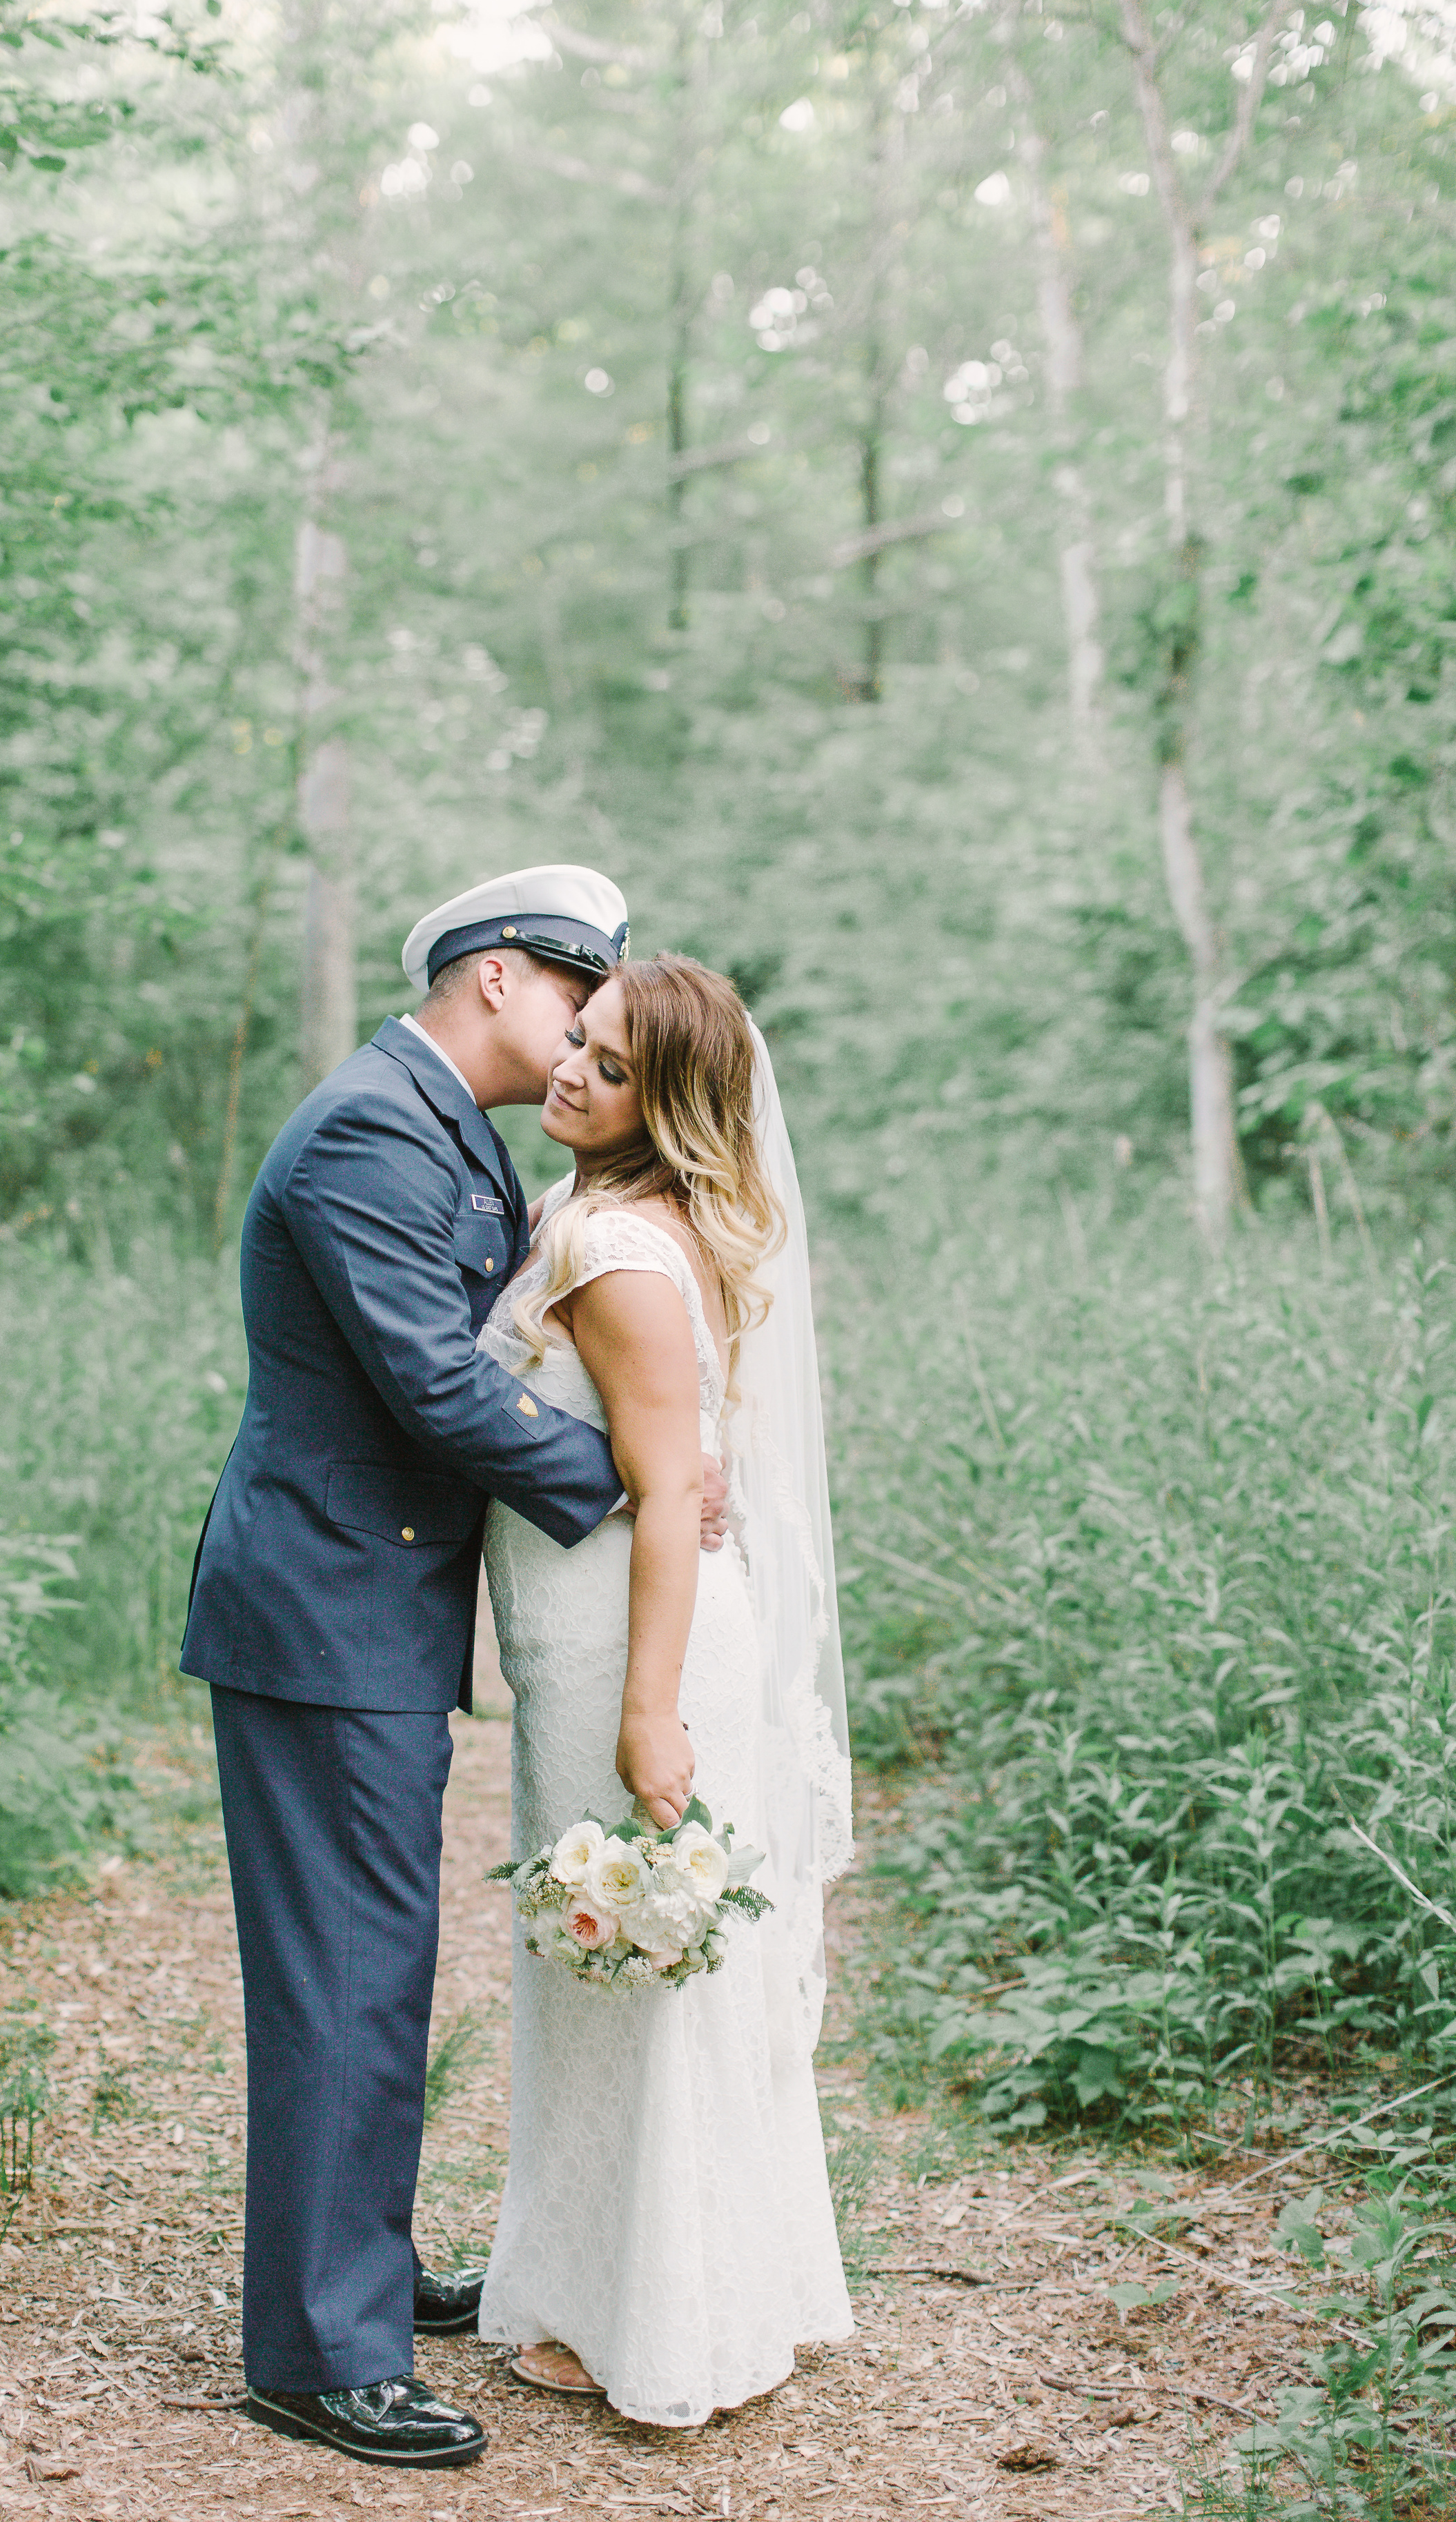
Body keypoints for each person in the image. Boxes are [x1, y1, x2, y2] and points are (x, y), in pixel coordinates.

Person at [178, 867, 727, 2473]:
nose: (579, 1042)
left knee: (374, 1961)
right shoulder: (368, 1128)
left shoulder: (442, 1132)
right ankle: (317, 2354)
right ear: (498, 977)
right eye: (578, 1004)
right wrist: (631, 1478)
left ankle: (355, 2268)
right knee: (345, 1972)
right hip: (325, 1610)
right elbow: (429, 1380)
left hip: (368, 1606)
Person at [476, 952, 855, 2425]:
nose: (572, 1069)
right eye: (579, 1039)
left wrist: (650, 1715)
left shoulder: (621, 1257)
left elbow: (665, 1501)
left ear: (674, 1103)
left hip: (628, 1642)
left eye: (614, 1065)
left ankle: (654, 2315)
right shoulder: (597, 1212)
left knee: (628, 1965)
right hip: (603, 1627)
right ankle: (652, 2280)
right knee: (617, 1966)